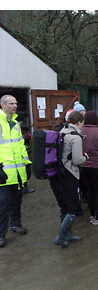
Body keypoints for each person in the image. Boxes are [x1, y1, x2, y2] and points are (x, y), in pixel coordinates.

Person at [49, 111, 88, 247]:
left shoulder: (62, 132)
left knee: (64, 205)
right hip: (69, 173)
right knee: (73, 207)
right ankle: (60, 236)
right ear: (79, 122)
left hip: (57, 173)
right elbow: (77, 160)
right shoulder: (75, 137)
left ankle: (68, 234)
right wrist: (86, 157)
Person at [0, 95, 31, 247]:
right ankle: (1, 234)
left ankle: (16, 224)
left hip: (17, 172)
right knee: (3, 205)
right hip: (3, 174)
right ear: (3, 105)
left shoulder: (15, 123)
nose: (15, 106)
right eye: (11, 103)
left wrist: (27, 163)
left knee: (16, 201)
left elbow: (20, 146)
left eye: (16, 103)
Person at [16, 113, 35, 194]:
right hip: (18, 156)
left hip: (21, 154)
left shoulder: (16, 127)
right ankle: (23, 188)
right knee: (23, 173)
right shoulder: (15, 127)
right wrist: (25, 136)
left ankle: (22, 187)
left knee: (24, 172)